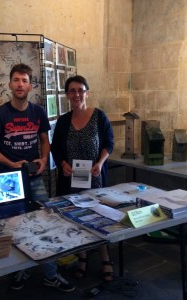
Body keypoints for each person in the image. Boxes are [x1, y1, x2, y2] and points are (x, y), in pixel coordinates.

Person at [0, 63, 75, 292]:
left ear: (30, 85)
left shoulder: (38, 112)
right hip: (7, 179)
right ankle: (19, 269)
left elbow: (45, 140)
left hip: (33, 176)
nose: (20, 84)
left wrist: (44, 159)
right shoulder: (0, 113)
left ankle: (50, 274)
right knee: (10, 227)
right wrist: (10, 164)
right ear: (9, 84)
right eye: (16, 80)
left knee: (44, 222)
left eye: (24, 80)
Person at [50, 75, 115, 282]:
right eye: (72, 91)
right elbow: (56, 149)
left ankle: (105, 259)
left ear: (86, 92)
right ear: (67, 95)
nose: (76, 94)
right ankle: (83, 258)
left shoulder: (99, 116)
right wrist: (63, 165)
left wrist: (101, 163)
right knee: (75, 218)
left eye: (80, 90)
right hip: (71, 180)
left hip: (94, 178)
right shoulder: (62, 121)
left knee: (99, 218)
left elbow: (109, 143)